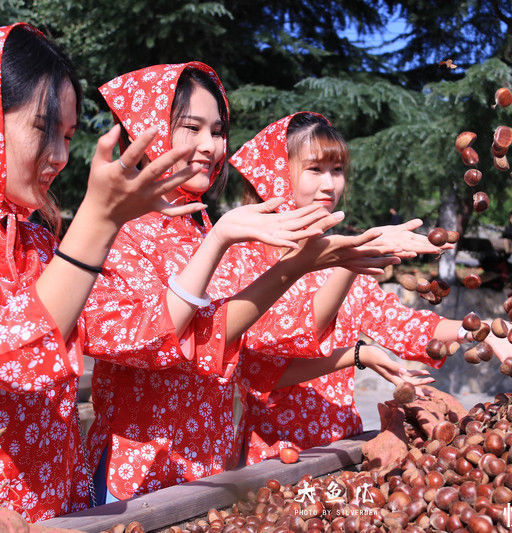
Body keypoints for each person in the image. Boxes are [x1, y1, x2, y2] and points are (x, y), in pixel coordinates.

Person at [84, 64, 413, 503]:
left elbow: (262, 344)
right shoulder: (124, 232)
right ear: (148, 130)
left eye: (218, 131)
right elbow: (148, 341)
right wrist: (295, 266)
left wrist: (333, 266)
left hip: (211, 467)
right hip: (137, 472)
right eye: (191, 127)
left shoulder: (201, 229)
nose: (209, 146)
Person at [0, 25, 203, 520]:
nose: (59, 158)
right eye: (43, 130)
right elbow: (9, 356)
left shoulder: (36, 242)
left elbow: (131, 331)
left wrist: (239, 250)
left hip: (61, 511)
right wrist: (97, 224)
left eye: (67, 137)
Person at [215, 112, 512, 465]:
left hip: (343, 449)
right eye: (315, 169)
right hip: (271, 460)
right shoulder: (243, 259)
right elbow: (262, 367)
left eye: (337, 170)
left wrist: (484, 332)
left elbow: (405, 325)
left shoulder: (347, 255)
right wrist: (358, 345)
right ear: (277, 174)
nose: (330, 185)